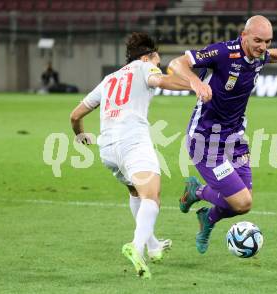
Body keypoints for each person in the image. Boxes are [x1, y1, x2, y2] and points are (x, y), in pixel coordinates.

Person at [168, 15, 277, 254]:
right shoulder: (223, 53)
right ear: (243, 36)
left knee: (242, 205)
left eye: (267, 41)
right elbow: (176, 63)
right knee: (241, 201)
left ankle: (206, 216)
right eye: (258, 40)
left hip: (235, 139)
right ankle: (198, 192)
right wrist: (196, 83)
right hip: (206, 141)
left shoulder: (258, 54)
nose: (263, 46)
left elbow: (270, 55)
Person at [70, 32, 191, 279]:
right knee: (152, 197)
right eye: (158, 61)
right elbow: (161, 82)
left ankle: (153, 245)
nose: (158, 66)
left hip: (108, 148)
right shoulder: (145, 67)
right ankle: (136, 246)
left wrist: (80, 136)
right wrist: (195, 85)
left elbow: (75, 115)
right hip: (132, 142)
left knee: (136, 191)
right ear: (150, 56)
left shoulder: (109, 79)